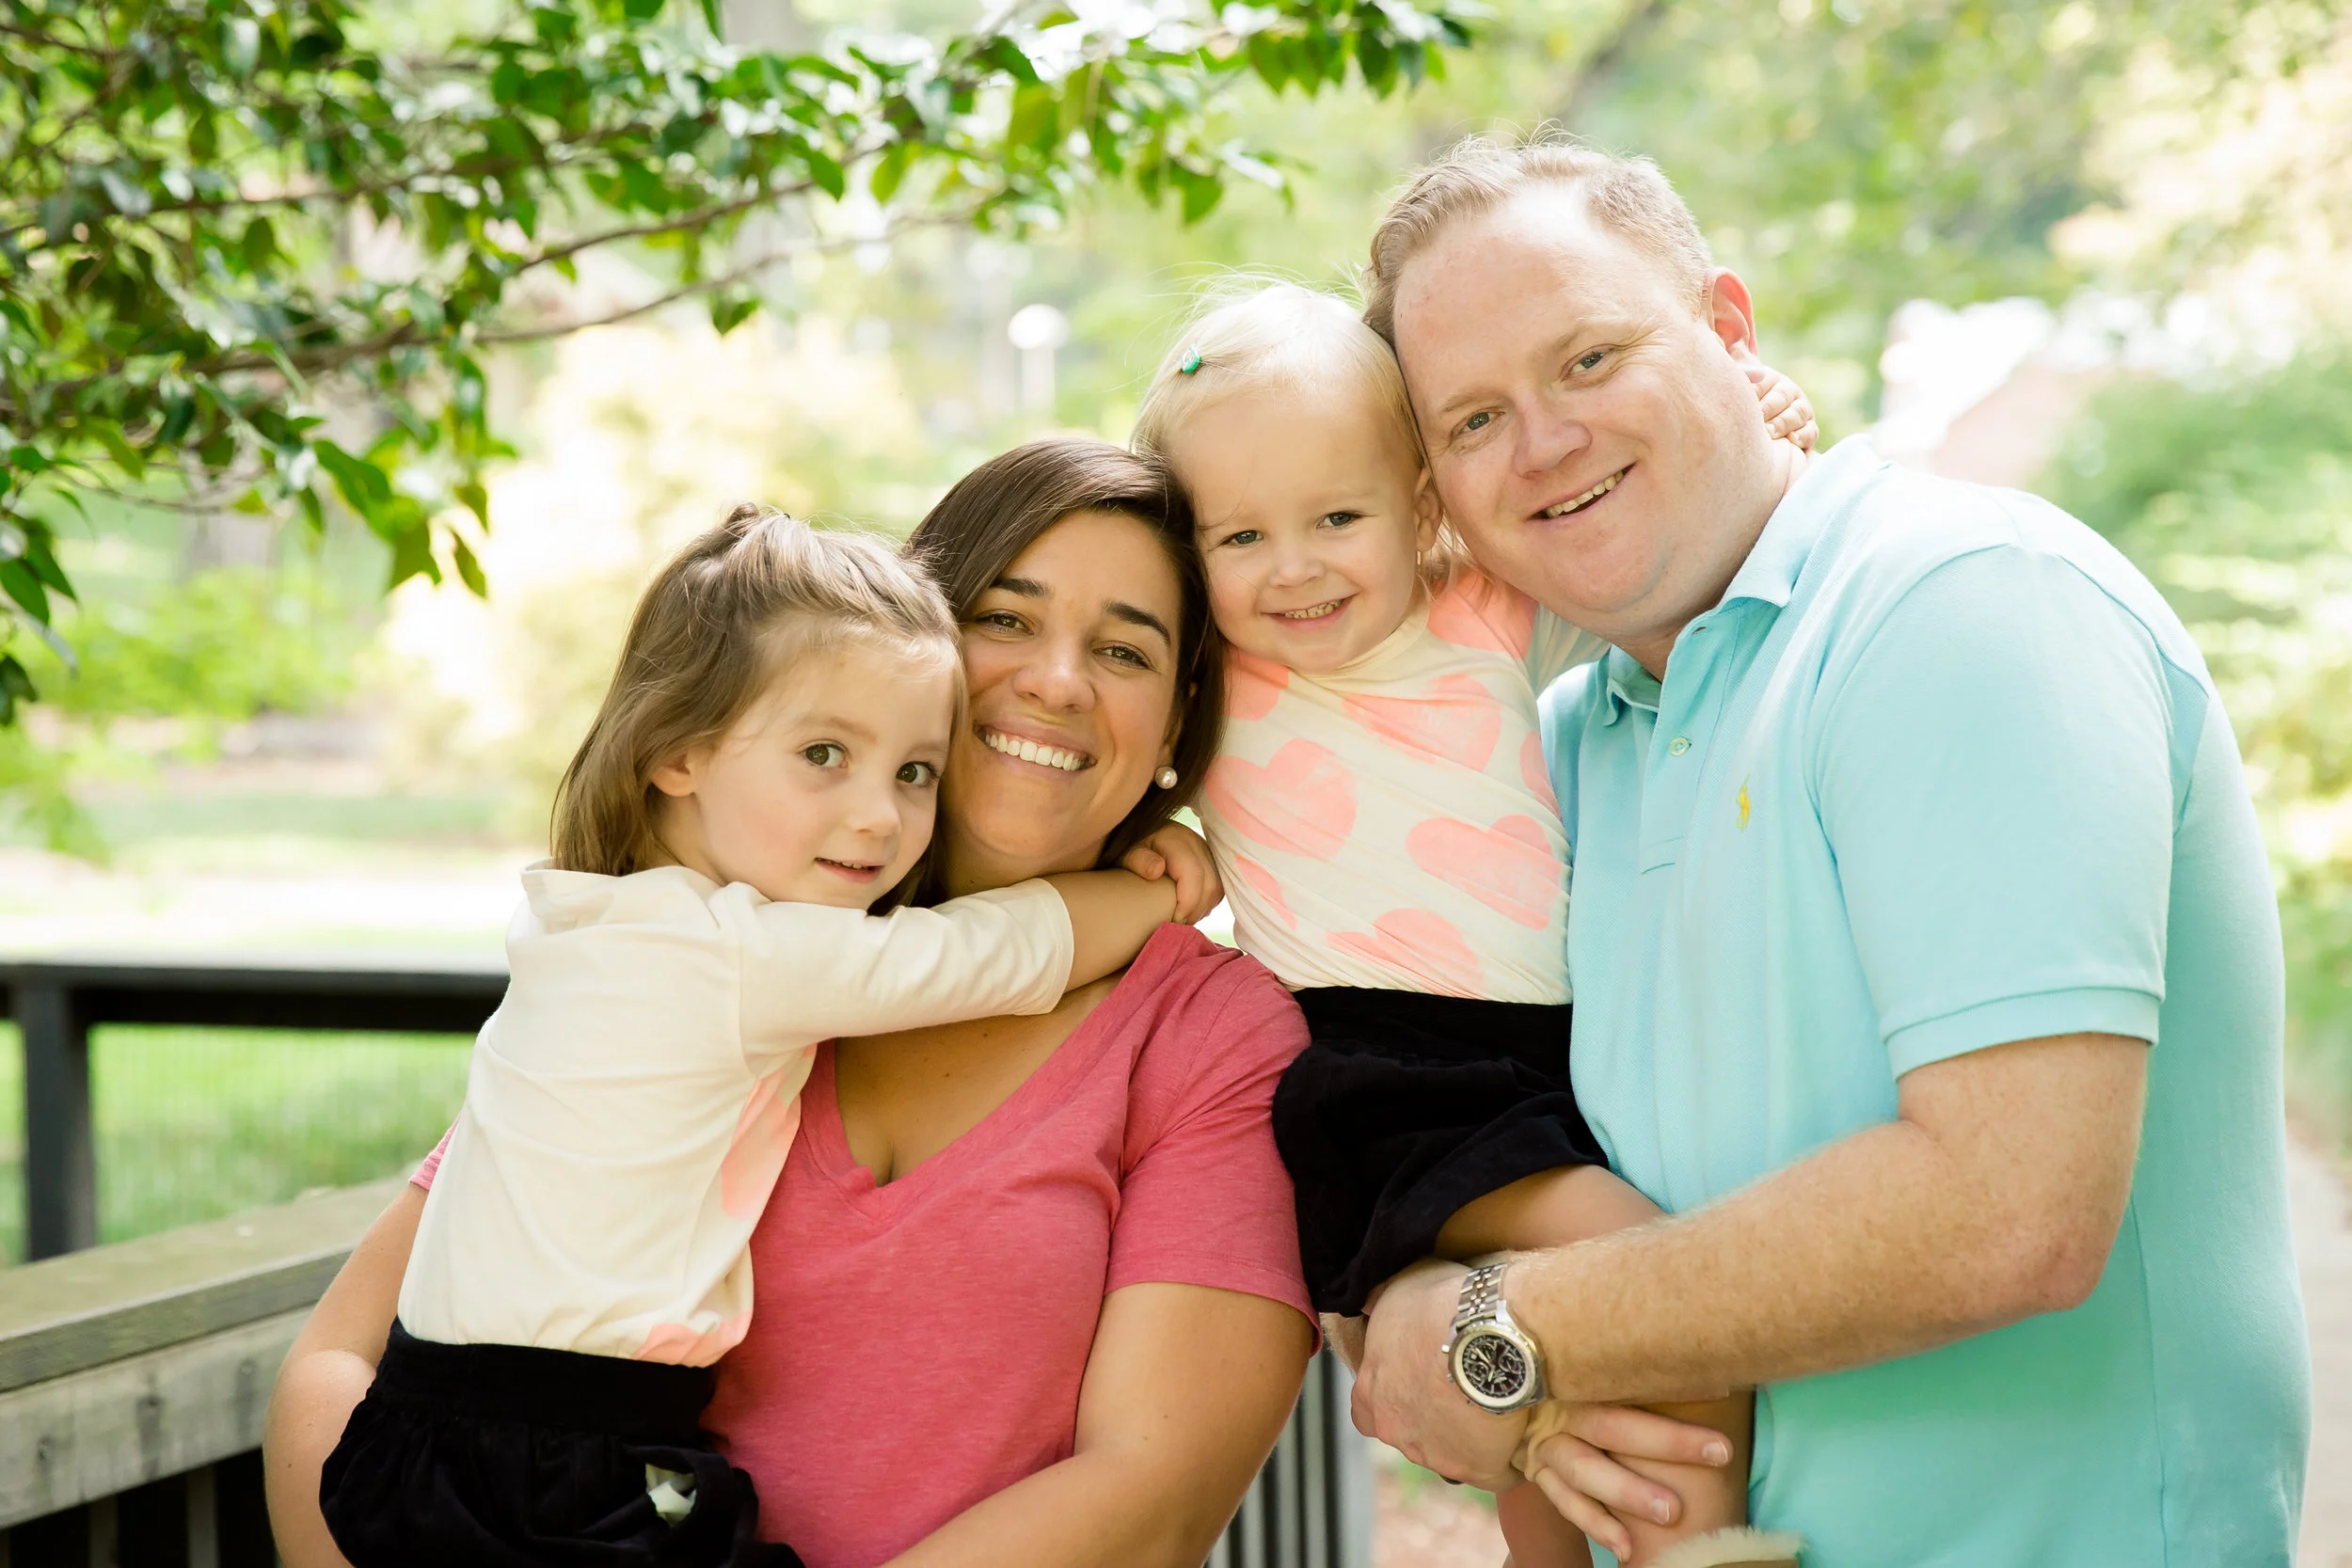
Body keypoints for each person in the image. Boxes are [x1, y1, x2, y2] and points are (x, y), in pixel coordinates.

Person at [1347, 134, 2312, 1566]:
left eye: (1590, 359)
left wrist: (1498, 1328)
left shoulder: (1963, 606)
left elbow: (2009, 1207)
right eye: (1472, 419)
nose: (1543, 441)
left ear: (1729, 329)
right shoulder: (1553, 747)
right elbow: (1434, 1121)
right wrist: (1420, 1300)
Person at [266, 439, 1323, 1568]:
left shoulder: (1212, 1039)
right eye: (1005, 620)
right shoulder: (695, 965)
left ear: (1174, 724)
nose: (1059, 679)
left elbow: (1145, 1500)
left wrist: (1135, 897)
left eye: (1123, 649)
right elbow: (343, 1352)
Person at [1130, 280, 1809, 1568]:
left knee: (1563, 1399)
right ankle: (1707, 1548)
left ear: (1420, 503)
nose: (1298, 565)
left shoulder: (1480, 609)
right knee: (1656, 1287)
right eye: (1242, 537)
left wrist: (1760, 419)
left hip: (1543, 1064)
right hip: (1379, 1079)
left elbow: (1639, 528)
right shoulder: (1219, 680)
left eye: (1338, 516)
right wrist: (1156, 854)